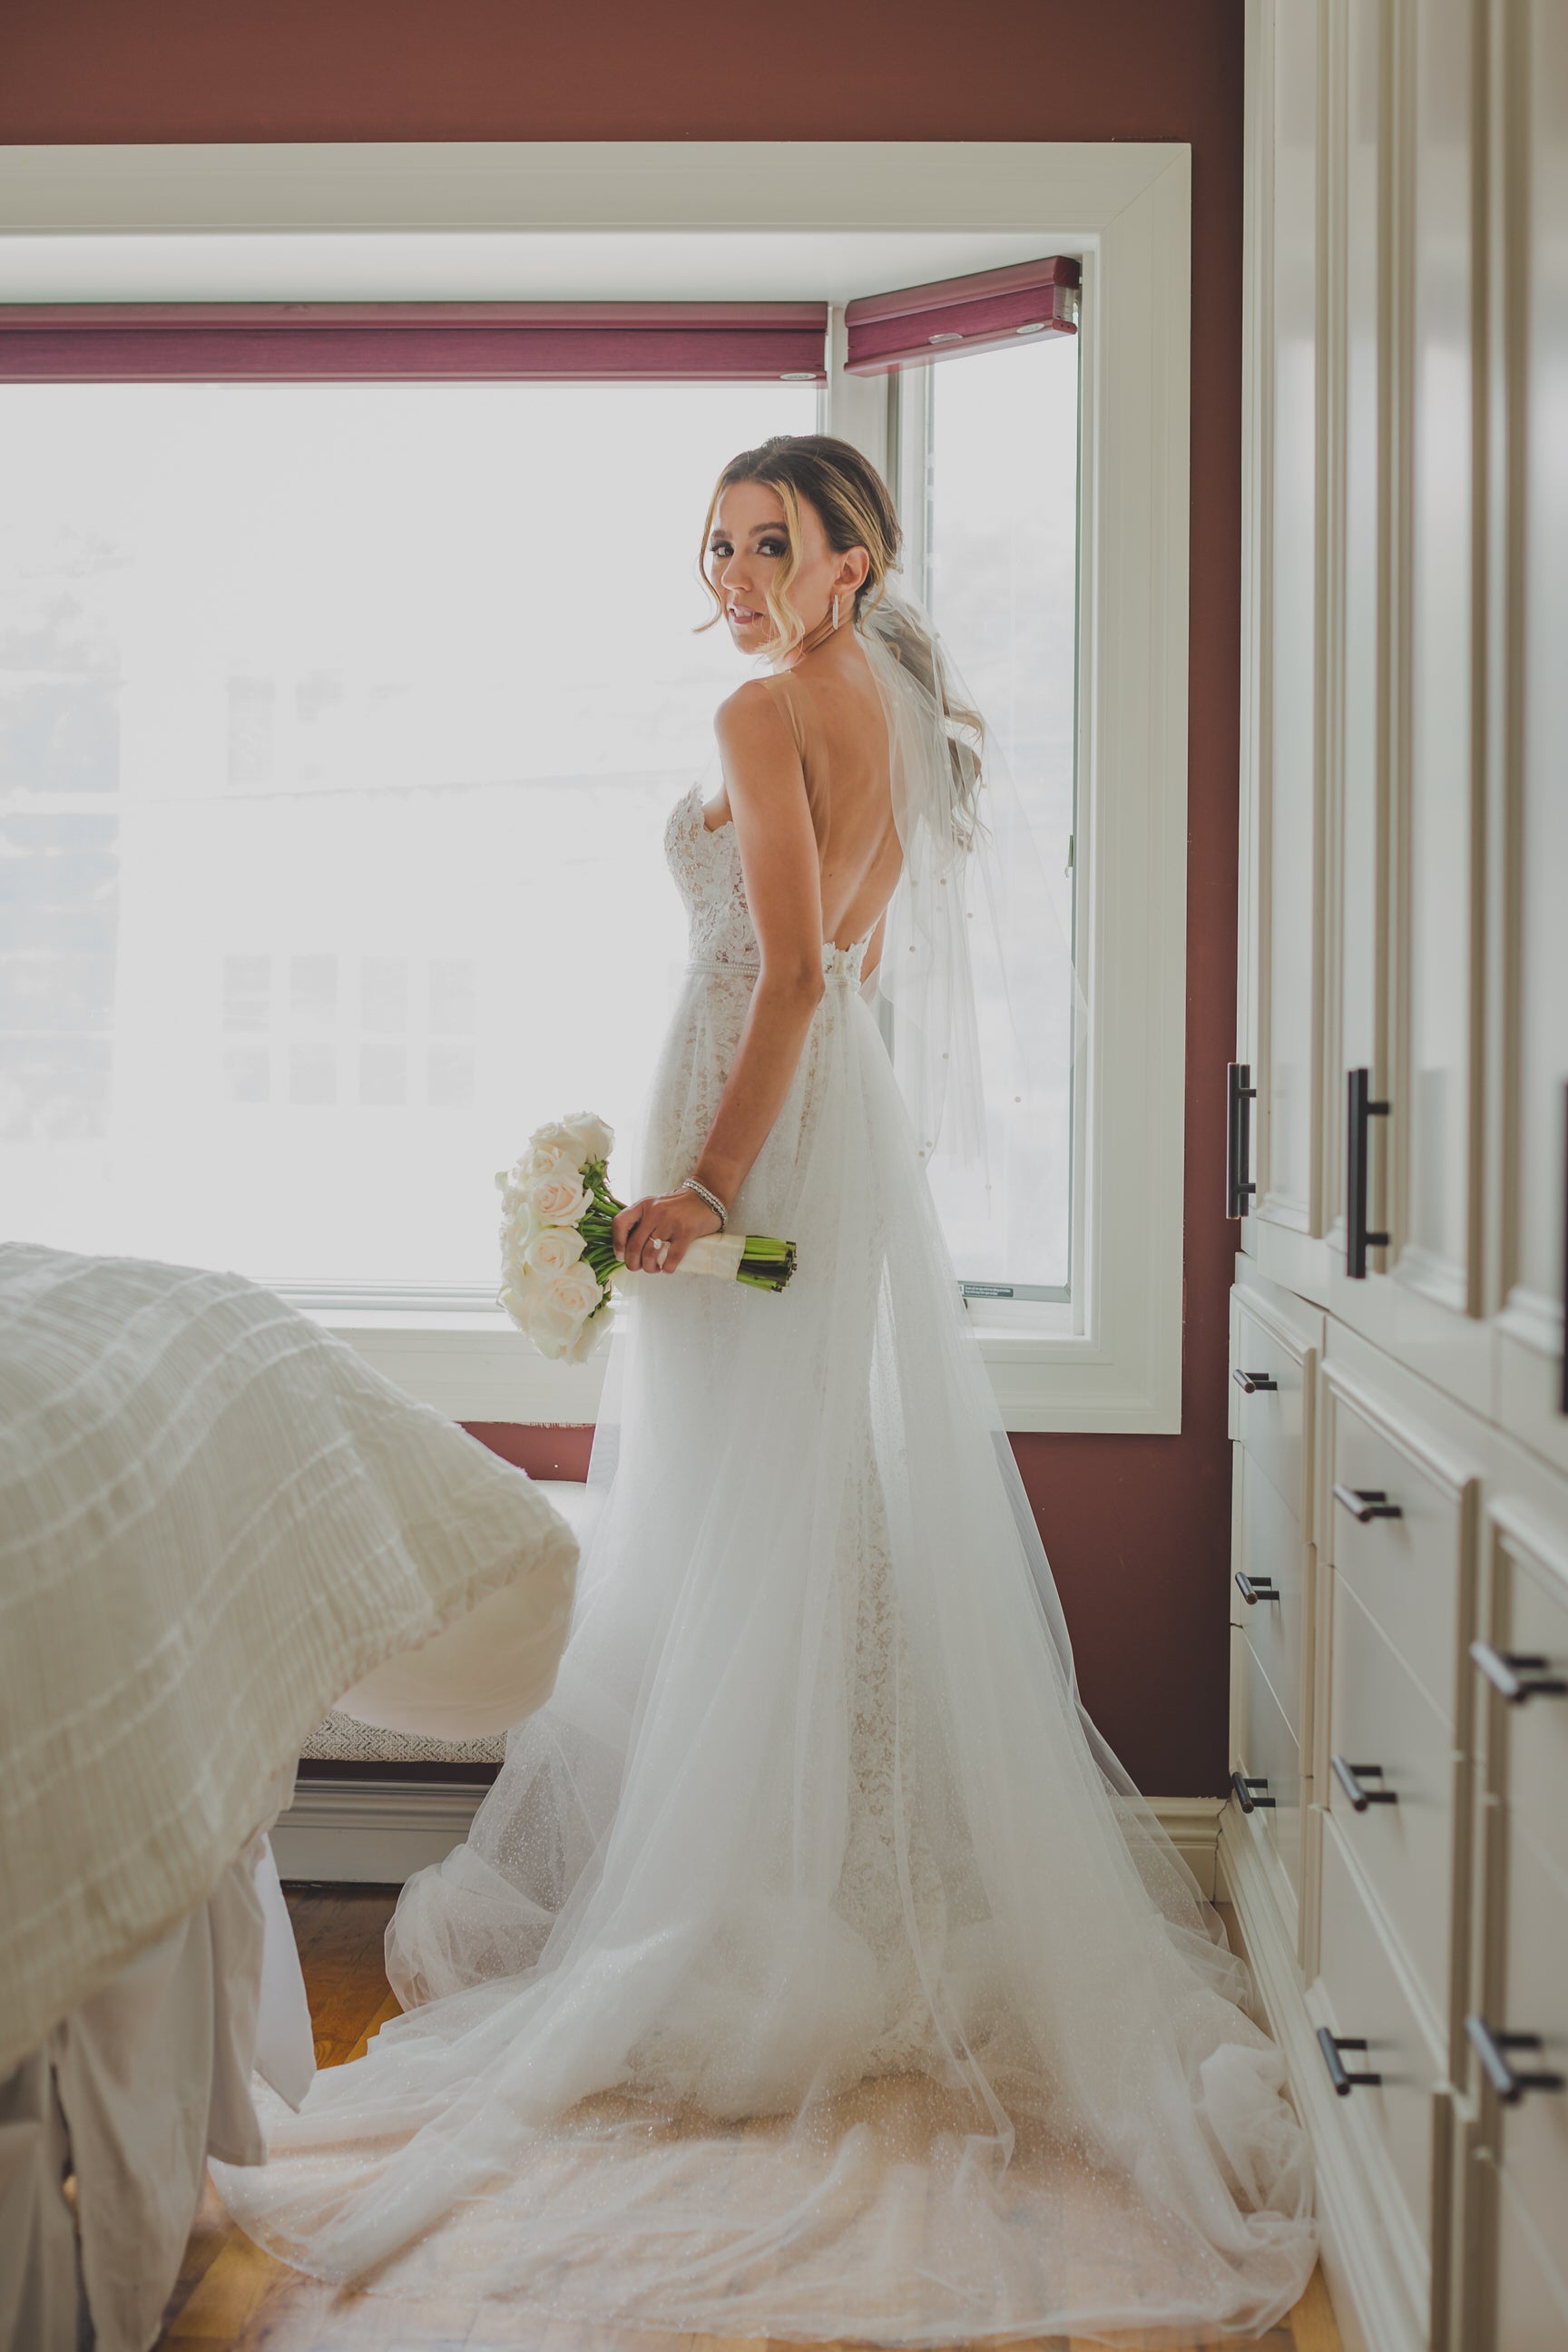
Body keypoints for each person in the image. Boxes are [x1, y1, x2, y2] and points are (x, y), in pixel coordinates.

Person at [213, 433, 1318, 2342]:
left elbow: (797, 972)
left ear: (853, 560)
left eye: (772, 541)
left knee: (745, 1519)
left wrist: (710, 1185)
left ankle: (769, 1894)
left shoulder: (763, 706)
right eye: (716, 542)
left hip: (759, 1128)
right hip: (831, 1146)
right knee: (799, 1512)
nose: (733, 572)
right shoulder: (874, 708)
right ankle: (835, 1865)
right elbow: (853, 968)